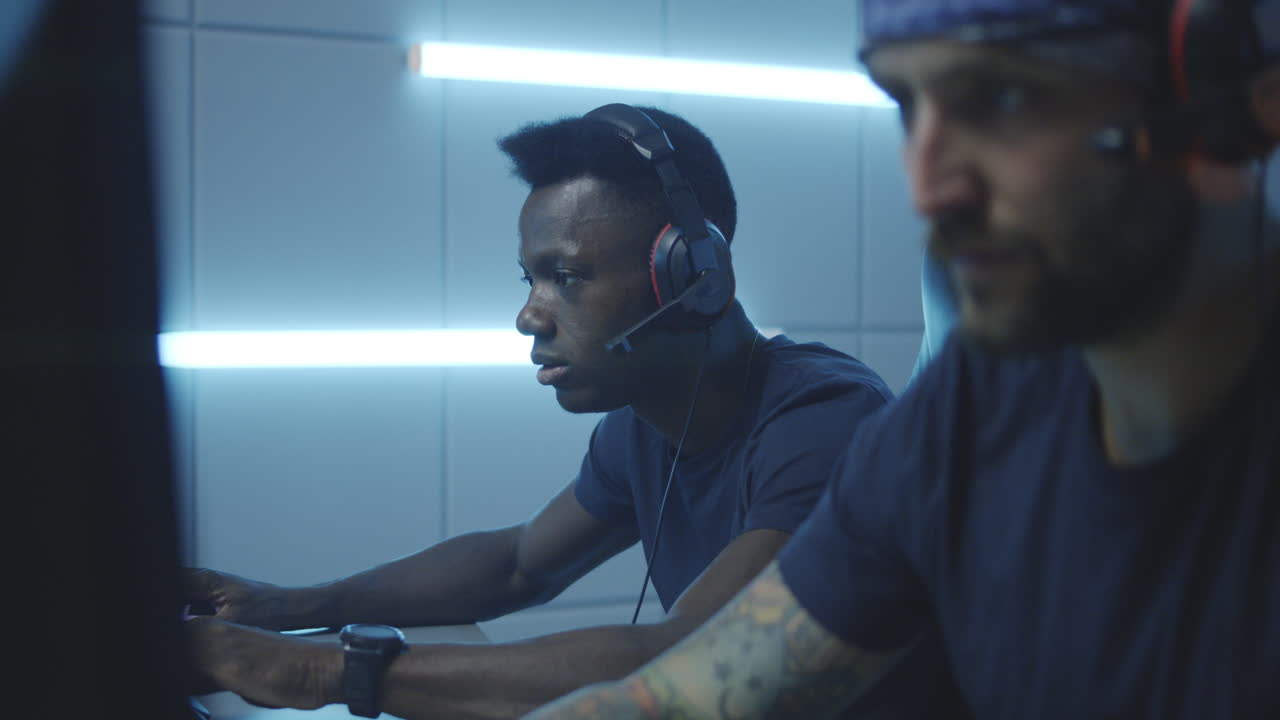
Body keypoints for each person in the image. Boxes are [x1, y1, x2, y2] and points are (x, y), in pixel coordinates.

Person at [524, 1, 1280, 718]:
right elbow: (691, 695)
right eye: (908, 105)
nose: (929, 187)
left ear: (1211, 89)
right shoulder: (967, 413)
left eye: (1002, 99)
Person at [183, 104, 935, 719]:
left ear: (695, 276)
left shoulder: (828, 426)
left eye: (566, 277)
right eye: (531, 278)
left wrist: (315, 673)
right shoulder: (645, 426)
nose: (529, 317)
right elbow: (516, 566)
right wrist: (283, 608)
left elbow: (694, 660)